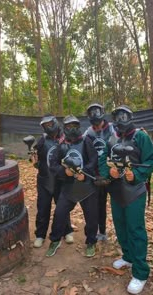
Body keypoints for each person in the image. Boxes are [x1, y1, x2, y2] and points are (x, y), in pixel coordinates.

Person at [99, 105, 153, 294]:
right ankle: (128, 257)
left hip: (135, 191)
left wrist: (137, 174)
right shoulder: (110, 137)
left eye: (124, 115)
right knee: (120, 226)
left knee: (136, 229)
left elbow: (151, 160)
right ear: (113, 119)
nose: (121, 119)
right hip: (116, 191)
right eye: (117, 116)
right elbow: (102, 161)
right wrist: (110, 172)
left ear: (131, 116)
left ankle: (140, 272)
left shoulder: (141, 136)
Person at [46, 115, 99, 258]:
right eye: (69, 127)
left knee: (92, 216)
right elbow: (53, 164)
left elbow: (94, 160)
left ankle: (91, 241)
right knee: (60, 213)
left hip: (86, 186)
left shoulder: (87, 141)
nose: (73, 129)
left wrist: (85, 172)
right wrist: (65, 172)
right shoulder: (61, 145)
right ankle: (55, 240)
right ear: (64, 128)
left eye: (75, 126)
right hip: (69, 186)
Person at [32, 114, 74, 248]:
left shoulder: (66, 138)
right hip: (44, 179)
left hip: (61, 180)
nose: (48, 127)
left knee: (62, 208)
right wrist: (34, 161)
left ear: (55, 123)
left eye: (50, 124)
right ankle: (40, 235)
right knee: (43, 208)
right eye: (45, 125)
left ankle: (67, 231)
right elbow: (35, 156)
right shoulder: (42, 140)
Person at [84, 103, 115, 241]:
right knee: (99, 205)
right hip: (97, 176)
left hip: (114, 174)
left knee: (119, 204)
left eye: (97, 112)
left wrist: (139, 131)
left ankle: (122, 234)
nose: (95, 115)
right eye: (92, 113)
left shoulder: (113, 129)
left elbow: (127, 137)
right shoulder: (88, 133)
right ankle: (102, 232)